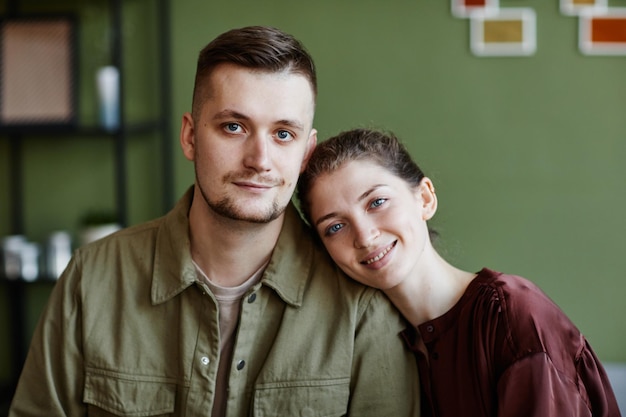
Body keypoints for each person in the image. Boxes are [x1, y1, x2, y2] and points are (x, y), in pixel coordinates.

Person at [8, 28, 420, 416]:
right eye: (233, 127)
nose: (259, 160)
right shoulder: (91, 280)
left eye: (282, 135)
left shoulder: (361, 303)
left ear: (306, 153)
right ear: (190, 136)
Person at [297, 128, 621, 417]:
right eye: (335, 226)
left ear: (424, 198)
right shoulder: (386, 343)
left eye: (377, 202)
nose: (365, 236)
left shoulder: (513, 316)